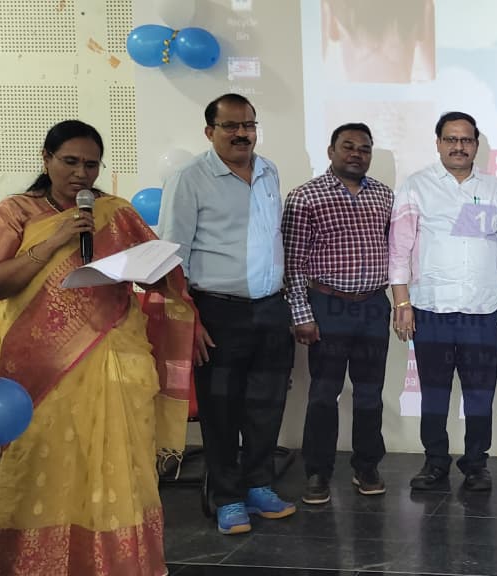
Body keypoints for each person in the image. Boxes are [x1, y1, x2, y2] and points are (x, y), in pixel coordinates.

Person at [0, 120, 195, 575]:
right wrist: (55, 241)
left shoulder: (115, 212)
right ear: (46, 159)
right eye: (70, 162)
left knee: (119, 464)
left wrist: (151, 271)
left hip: (115, 354)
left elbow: (161, 274)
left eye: (91, 165)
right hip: (40, 368)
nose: (81, 174)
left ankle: (118, 564)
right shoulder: (16, 211)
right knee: (45, 464)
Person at [159, 93, 297, 534]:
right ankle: (227, 497)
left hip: (270, 308)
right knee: (221, 410)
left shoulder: (269, 171)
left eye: (249, 125)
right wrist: (190, 319)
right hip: (218, 311)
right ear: (209, 131)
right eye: (231, 126)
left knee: (266, 405)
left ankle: (259, 485)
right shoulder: (189, 178)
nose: (242, 134)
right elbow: (173, 256)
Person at [390, 112, 497, 492]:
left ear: (476, 145)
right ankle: (434, 462)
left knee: (480, 394)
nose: (458, 146)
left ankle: (476, 464)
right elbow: (399, 249)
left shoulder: (496, 189)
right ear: (438, 143)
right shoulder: (416, 186)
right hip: (431, 309)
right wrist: (402, 304)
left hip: (481, 310)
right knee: (434, 393)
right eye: (451, 139)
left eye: (466, 140)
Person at [283, 122, 395, 505]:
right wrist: (301, 313)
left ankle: (367, 466)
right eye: (348, 146)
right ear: (331, 151)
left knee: (370, 394)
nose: (356, 154)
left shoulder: (384, 196)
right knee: (323, 393)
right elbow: (293, 262)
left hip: (373, 305)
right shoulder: (305, 197)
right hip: (327, 306)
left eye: (364, 149)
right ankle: (318, 471)